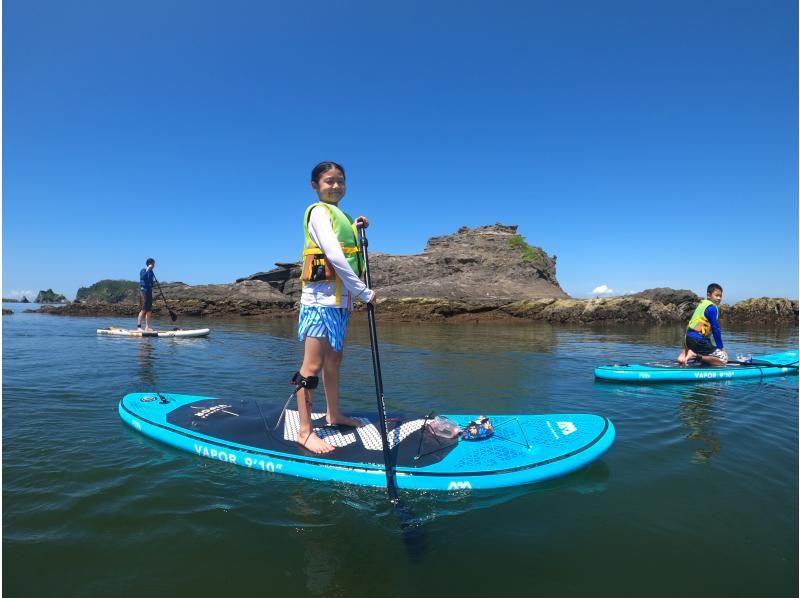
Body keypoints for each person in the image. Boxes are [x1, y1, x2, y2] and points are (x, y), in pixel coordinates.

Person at [293, 161, 376, 454]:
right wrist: (363, 292)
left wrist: (356, 226)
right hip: (319, 303)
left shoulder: (342, 215)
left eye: (340, 181)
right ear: (316, 186)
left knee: (334, 362)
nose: (336, 186)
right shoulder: (318, 212)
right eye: (329, 181)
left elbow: (346, 242)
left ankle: (333, 414)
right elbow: (334, 254)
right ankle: (305, 431)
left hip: (340, 303)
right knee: (312, 367)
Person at [677, 283, 728, 366]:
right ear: (709, 295)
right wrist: (721, 348)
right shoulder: (712, 308)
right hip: (698, 340)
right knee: (723, 360)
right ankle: (694, 355)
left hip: (688, 338)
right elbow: (716, 329)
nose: (719, 298)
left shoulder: (702, 304)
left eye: (720, 296)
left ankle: (682, 358)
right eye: (716, 295)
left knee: (705, 352)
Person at [137, 258, 156, 332]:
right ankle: (139, 327)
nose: (154, 265)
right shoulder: (143, 270)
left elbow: (151, 282)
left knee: (149, 310)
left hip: (149, 291)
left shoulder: (152, 272)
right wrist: (148, 269)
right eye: (153, 264)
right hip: (143, 291)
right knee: (143, 309)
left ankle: (147, 327)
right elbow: (142, 277)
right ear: (150, 263)